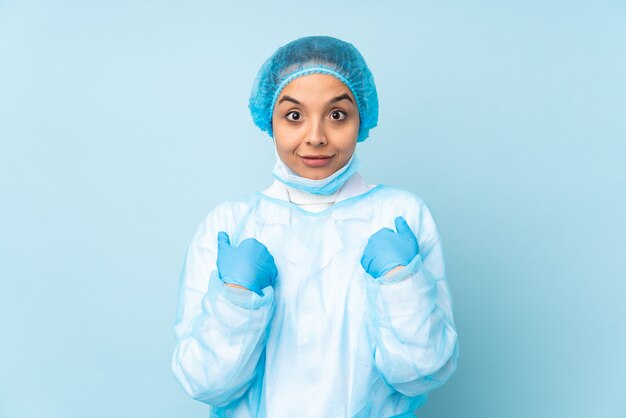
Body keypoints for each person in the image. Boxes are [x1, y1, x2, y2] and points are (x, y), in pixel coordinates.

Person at [171, 35, 459, 417]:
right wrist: (236, 300)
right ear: (269, 121)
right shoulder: (231, 225)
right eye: (294, 116)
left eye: (337, 114)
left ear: (362, 119)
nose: (316, 136)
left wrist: (402, 284)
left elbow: (422, 373)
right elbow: (205, 384)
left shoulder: (399, 216)